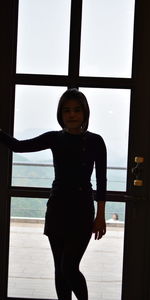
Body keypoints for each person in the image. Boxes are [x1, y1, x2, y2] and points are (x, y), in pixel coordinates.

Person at [0, 88, 107, 300]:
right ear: (60, 114)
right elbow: (18, 147)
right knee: (59, 270)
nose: (72, 114)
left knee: (69, 267)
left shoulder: (96, 141)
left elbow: (101, 181)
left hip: (82, 210)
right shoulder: (54, 138)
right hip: (57, 208)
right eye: (67, 110)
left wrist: (100, 215)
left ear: (85, 112)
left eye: (77, 110)